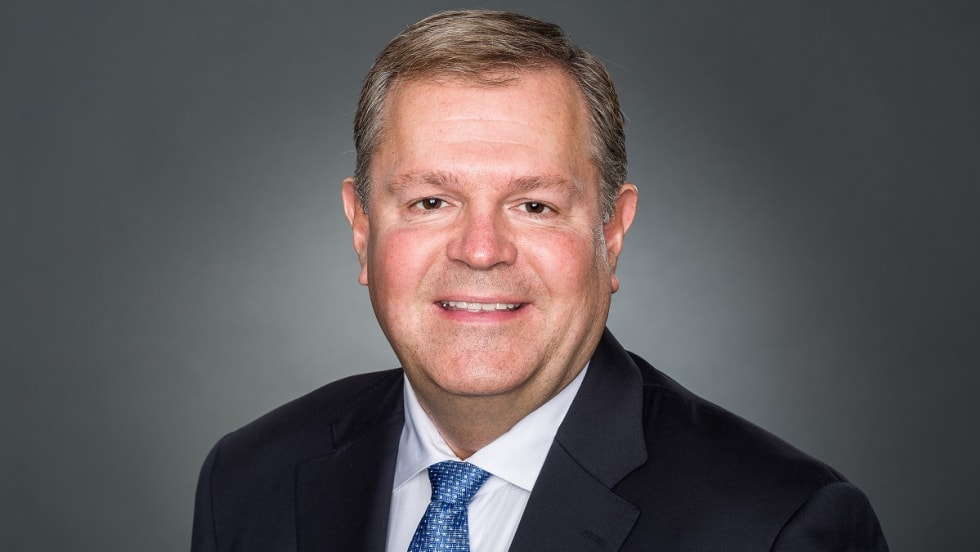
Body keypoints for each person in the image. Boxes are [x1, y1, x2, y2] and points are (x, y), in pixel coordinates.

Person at [191, 10, 888, 551]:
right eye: (431, 201)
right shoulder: (250, 479)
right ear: (362, 228)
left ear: (611, 233)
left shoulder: (781, 525)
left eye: (535, 206)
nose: (481, 250)